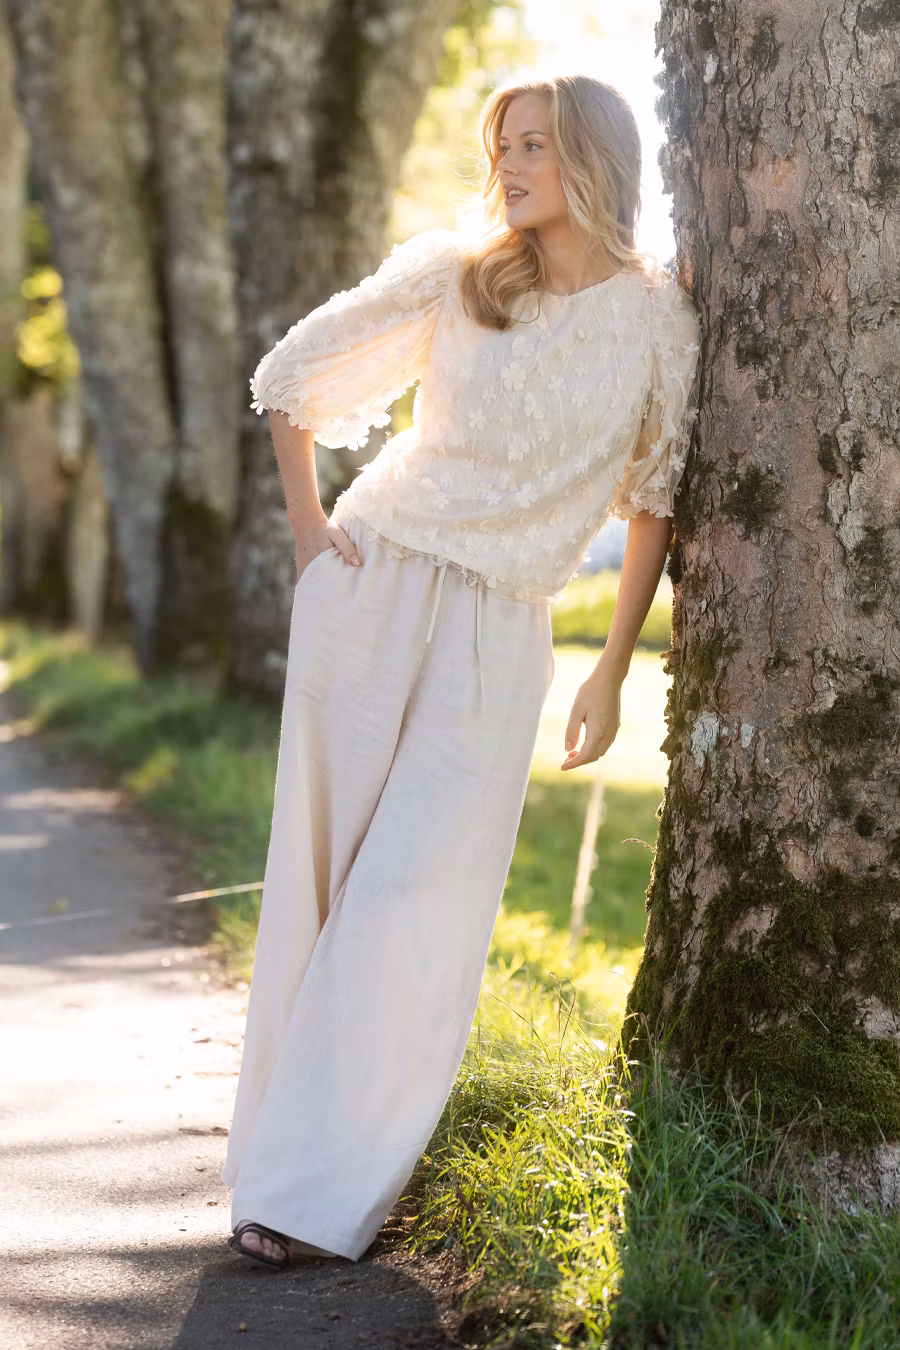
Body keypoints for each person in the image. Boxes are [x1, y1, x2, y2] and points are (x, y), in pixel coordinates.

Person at [221, 71, 702, 1270]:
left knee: (411, 905)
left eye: (535, 145)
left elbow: (653, 504)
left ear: (593, 157)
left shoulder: (659, 320)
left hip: (503, 631)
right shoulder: (459, 275)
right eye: (503, 147)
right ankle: (276, 1173)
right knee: (324, 880)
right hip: (373, 587)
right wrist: (310, 538)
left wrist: (613, 670)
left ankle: (317, 1190)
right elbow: (292, 376)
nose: (511, 166)